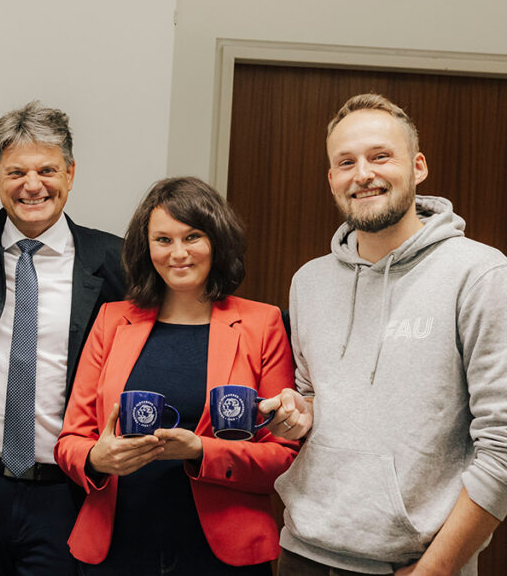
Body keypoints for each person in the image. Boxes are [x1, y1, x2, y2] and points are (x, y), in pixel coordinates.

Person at [260, 93, 507, 575]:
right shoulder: (308, 280)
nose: (363, 174)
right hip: (301, 551)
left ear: (418, 167)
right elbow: (315, 397)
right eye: (346, 162)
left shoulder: (478, 274)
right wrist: (297, 412)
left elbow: (503, 447)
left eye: (380, 156)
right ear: (332, 178)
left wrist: (435, 570)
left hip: (415, 564)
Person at [0, 101, 127, 575]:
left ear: (70, 174)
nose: (32, 185)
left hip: (68, 492)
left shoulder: (113, 259)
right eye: (16, 172)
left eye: (47, 169)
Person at [54, 176, 298, 574]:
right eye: (163, 240)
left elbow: (282, 454)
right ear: (145, 247)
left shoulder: (261, 323)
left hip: (222, 553)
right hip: (116, 549)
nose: (178, 253)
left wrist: (201, 452)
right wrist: (97, 458)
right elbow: (71, 441)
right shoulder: (112, 320)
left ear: (216, 242)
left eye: (192, 237)